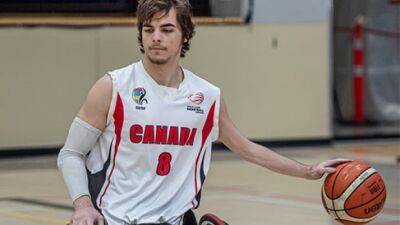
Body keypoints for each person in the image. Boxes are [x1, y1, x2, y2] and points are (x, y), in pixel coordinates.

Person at [57, 1, 350, 225]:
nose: (156, 37)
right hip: (117, 218)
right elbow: (70, 153)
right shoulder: (113, 87)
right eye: (149, 30)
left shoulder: (207, 97)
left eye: (167, 29)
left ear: (185, 35)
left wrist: (308, 172)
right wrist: (83, 205)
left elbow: (247, 149)